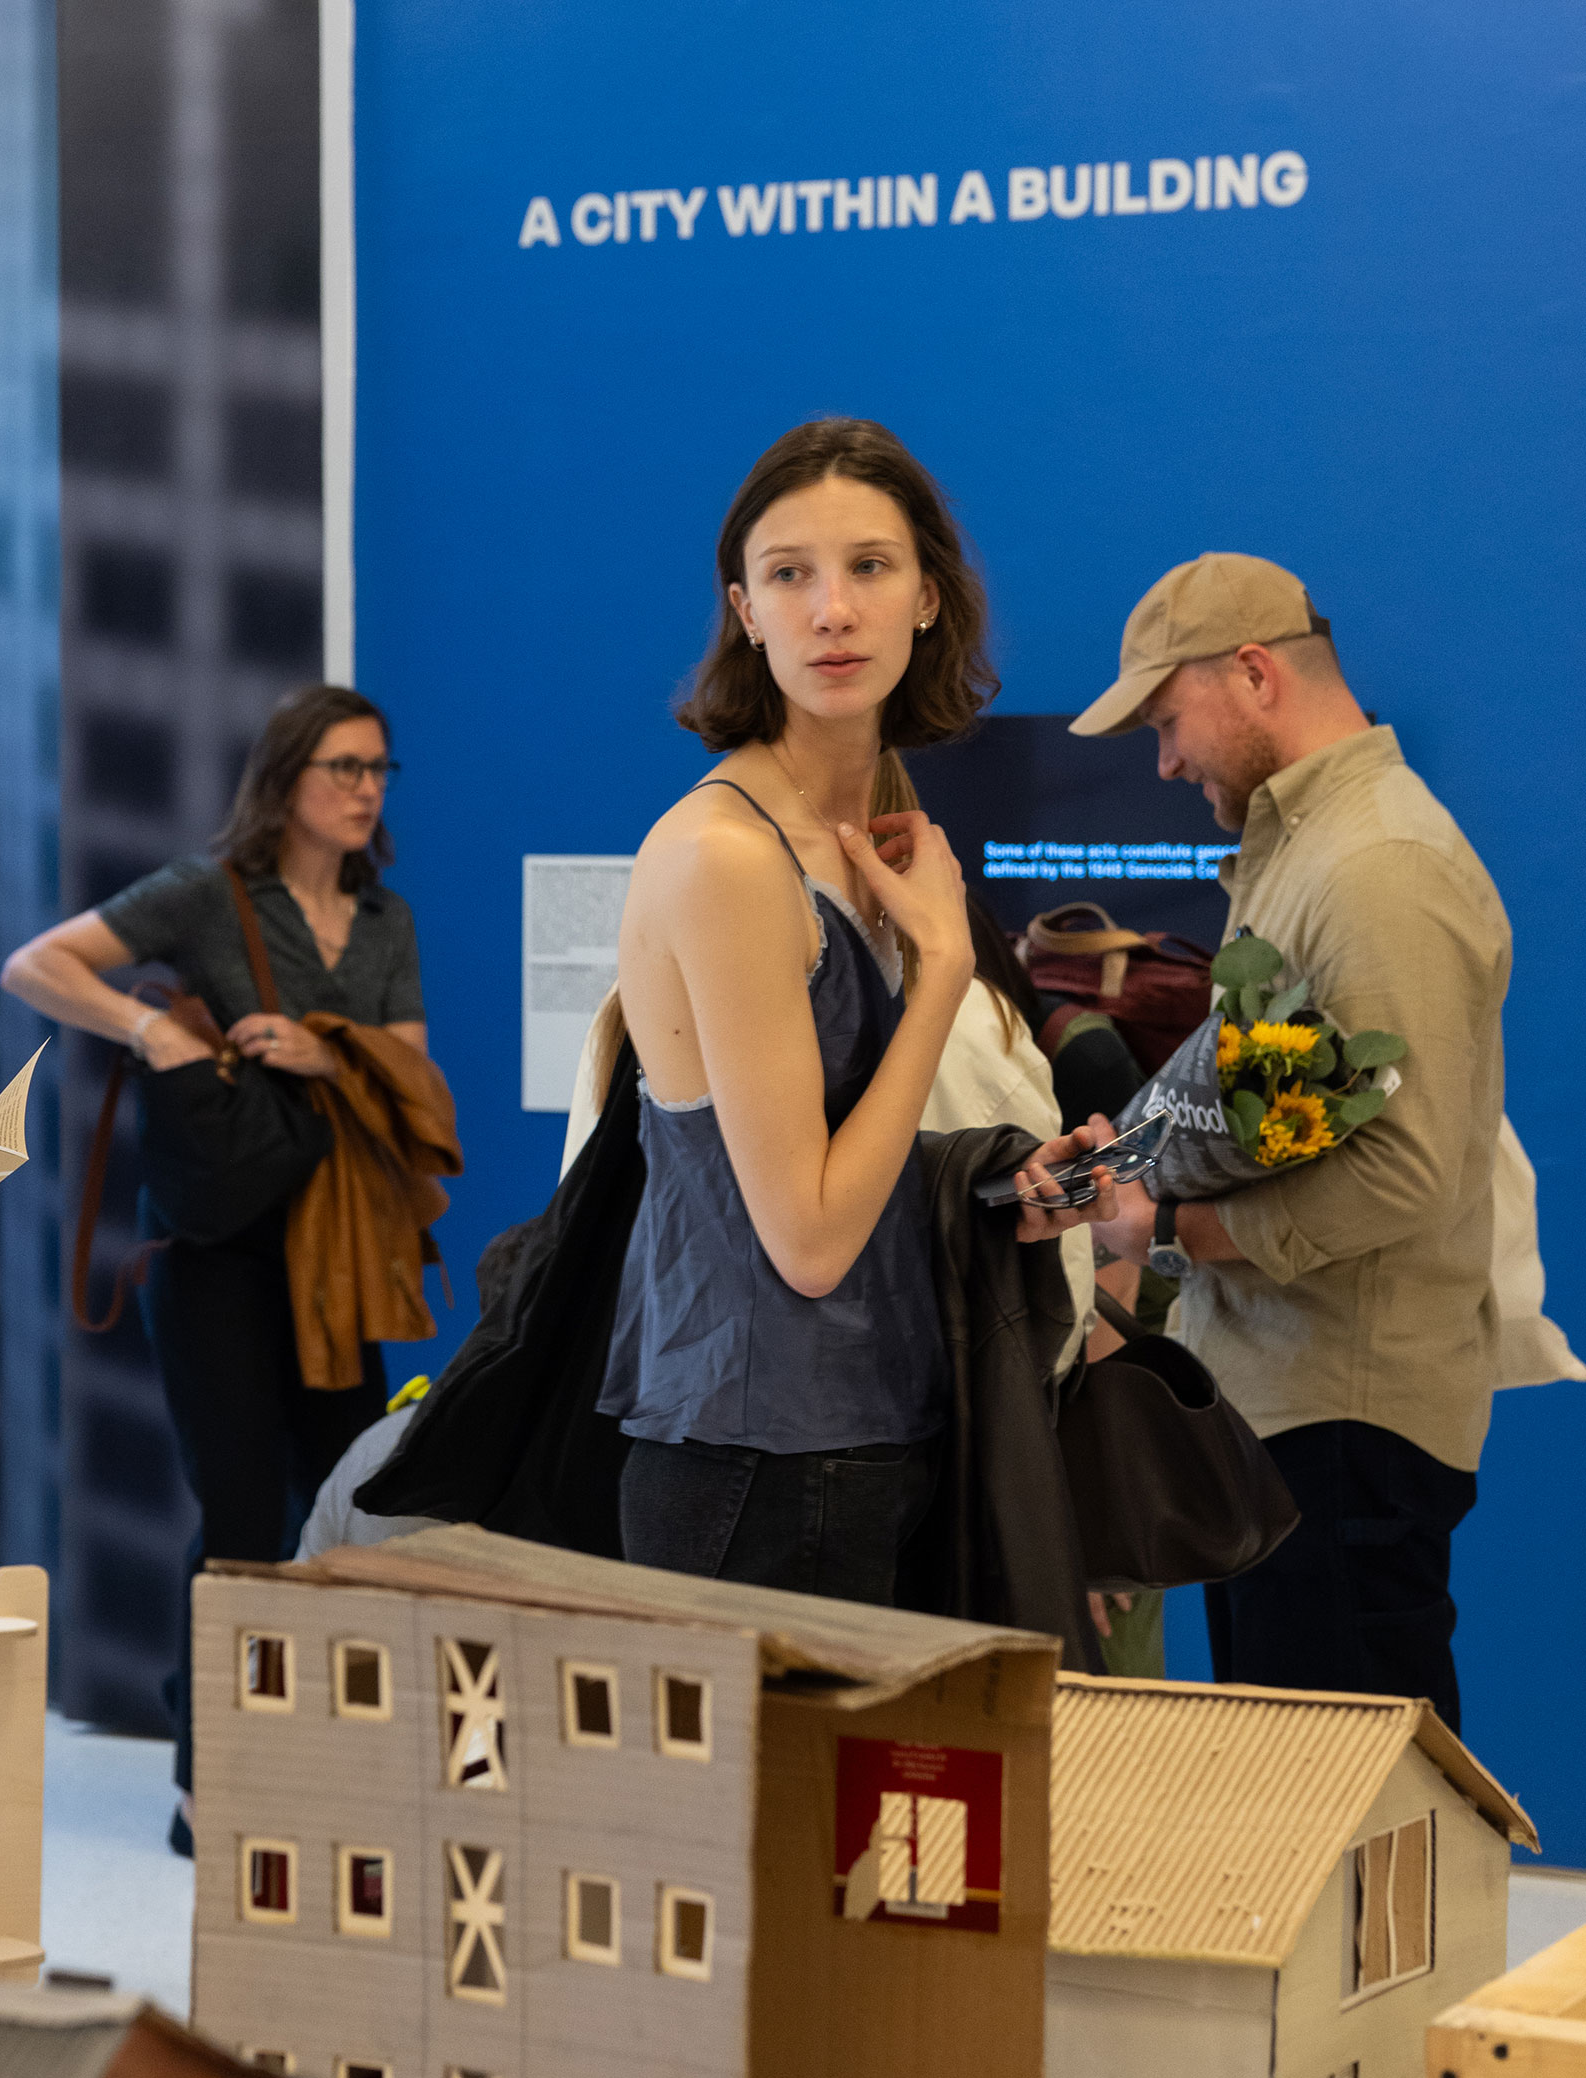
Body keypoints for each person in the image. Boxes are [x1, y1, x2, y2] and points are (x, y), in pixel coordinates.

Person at [603, 417, 1105, 1600]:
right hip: (753, 1467)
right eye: (790, 574)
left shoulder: (862, 828)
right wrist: (943, 971)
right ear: (745, 610)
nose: (832, 610)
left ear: (927, 596)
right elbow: (809, 1240)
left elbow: (833, 1157)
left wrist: (990, 1183)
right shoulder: (727, 855)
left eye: (868, 566)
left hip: (874, 1438)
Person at [1075, 553, 1509, 1729]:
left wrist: (1172, 1224)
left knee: (1354, 1803)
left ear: (1254, 674)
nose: (1164, 762)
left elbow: (1403, 1174)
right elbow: (1280, 1110)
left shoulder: (1375, 867)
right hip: (1291, 1416)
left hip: (1341, 1428)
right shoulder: (1315, 852)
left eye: (1167, 721)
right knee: (1300, 1796)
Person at [1, 684, 441, 1846]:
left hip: (337, 1254)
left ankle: (324, 1756)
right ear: (286, 777)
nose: (366, 790)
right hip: (214, 1255)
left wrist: (321, 1049)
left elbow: (410, 1070)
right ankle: (214, 1778)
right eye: (344, 767)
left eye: (379, 769)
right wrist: (150, 1028)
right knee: (240, 1511)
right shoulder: (210, 893)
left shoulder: (384, 917)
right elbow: (37, 966)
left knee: (349, 1504)